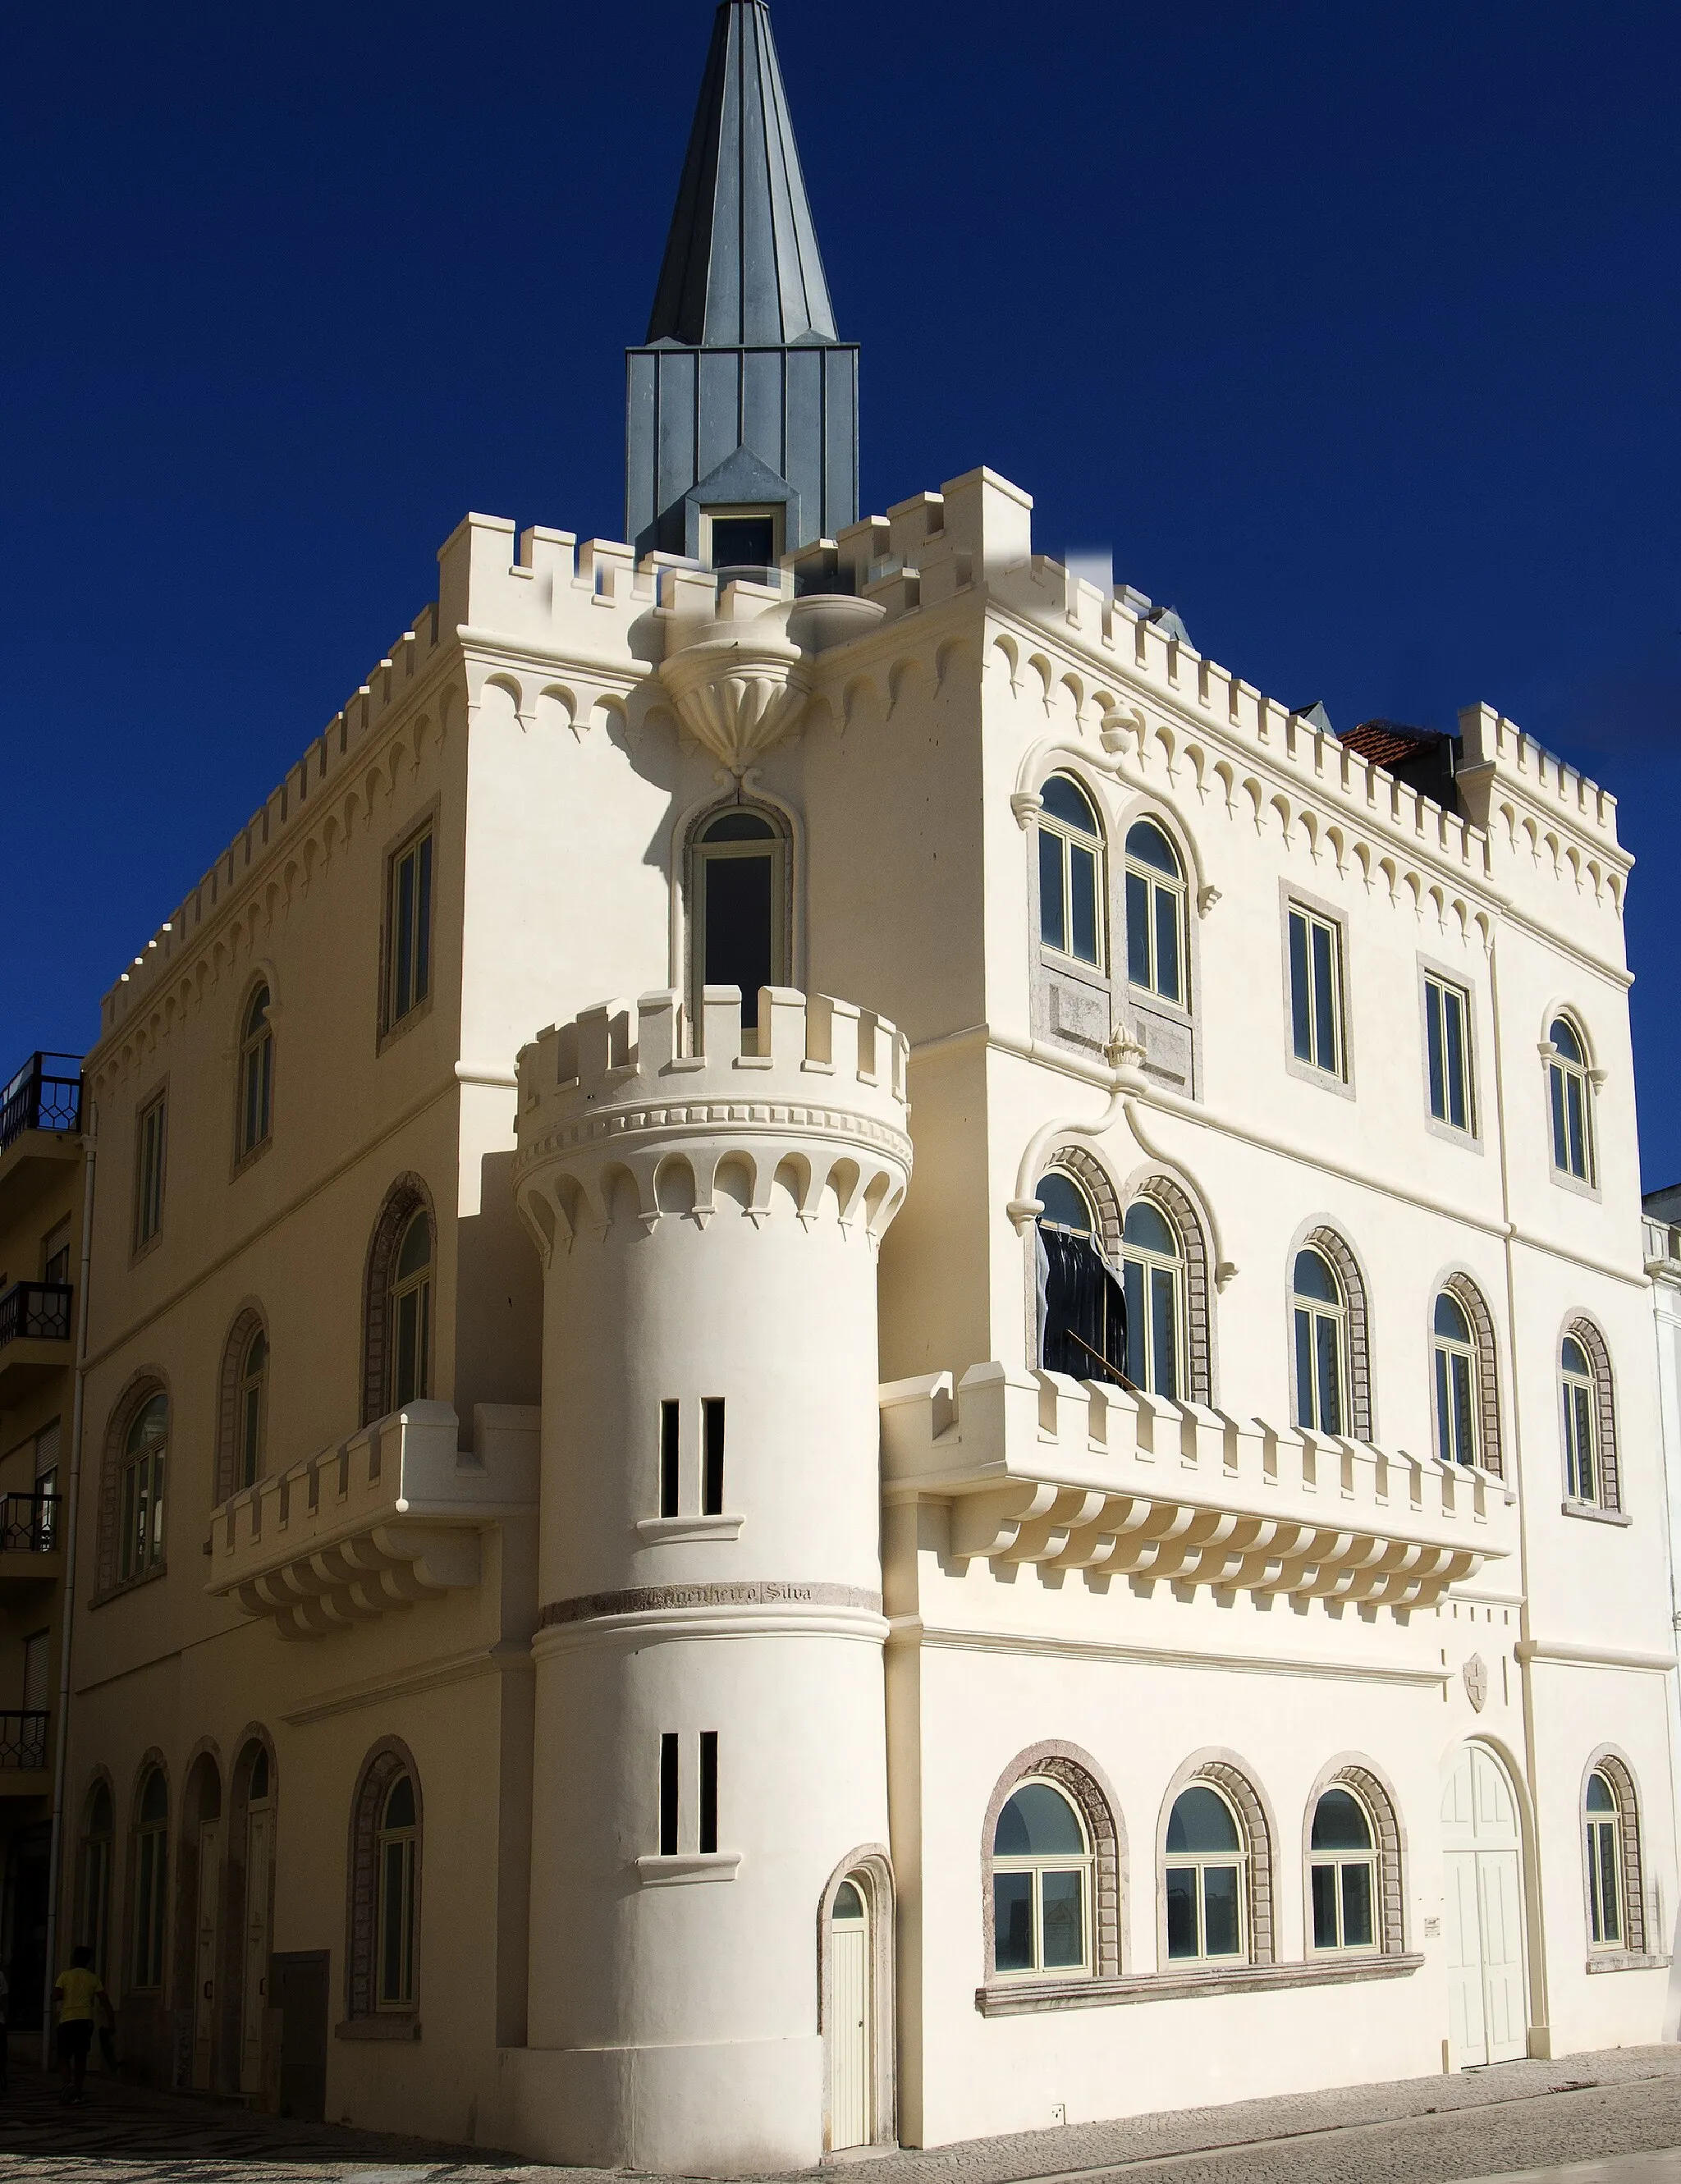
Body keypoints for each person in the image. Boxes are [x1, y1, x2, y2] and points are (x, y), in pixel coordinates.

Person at [52, 1947, 105, 2104]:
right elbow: (104, 1998)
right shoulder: (92, 1978)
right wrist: (111, 2018)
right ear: (88, 1961)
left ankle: (67, 2083)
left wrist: (62, 1994)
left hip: (67, 2019)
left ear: (73, 1960)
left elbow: (55, 1995)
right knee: (80, 2056)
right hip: (85, 2020)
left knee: (63, 2055)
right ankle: (78, 2089)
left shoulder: (65, 1976)